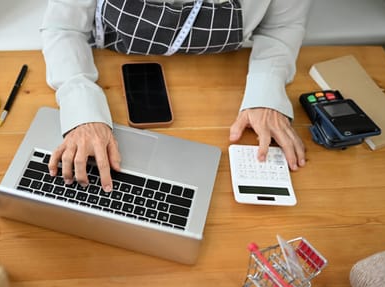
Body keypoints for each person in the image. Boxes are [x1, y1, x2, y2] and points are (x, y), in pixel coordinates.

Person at [40, 0, 311, 192]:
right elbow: (64, 28)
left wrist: (266, 92)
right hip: (112, 60)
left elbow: (281, 27)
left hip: (217, 75)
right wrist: (83, 110)